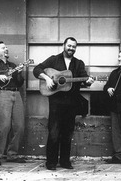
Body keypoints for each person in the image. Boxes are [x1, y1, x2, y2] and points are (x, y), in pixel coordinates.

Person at [33, 37, 94, 170]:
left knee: (67, 133)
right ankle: (51, 162)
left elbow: (83, 79)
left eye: (74, 46)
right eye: (69, 46)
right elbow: (37, 70)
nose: (71, 48)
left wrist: (87, 81)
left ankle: (65, 161)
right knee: (54, 132)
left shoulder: (79, 63)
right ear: (64, 45)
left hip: (71, 103)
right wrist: (47, 78)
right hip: (56, 103)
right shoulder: (54, 59)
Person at [0, 41, 26, 166]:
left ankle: (12, 154)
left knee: (19, 126)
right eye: (3, 48)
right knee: (3, 126)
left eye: (6, 47)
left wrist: (19, 73)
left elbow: (19, 83)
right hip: (0, 94)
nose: (6, 49)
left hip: (15, 94)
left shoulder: (12, 65)